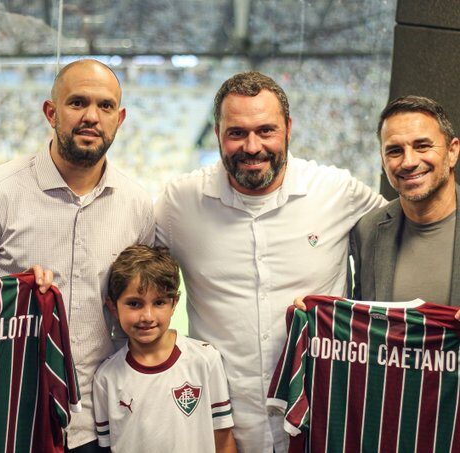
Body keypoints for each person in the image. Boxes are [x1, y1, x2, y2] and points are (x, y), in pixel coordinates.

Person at [154, 71, 386, 452]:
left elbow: (411, 229)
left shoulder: (336, 191)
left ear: (288, 128)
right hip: (222, 431)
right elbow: (128, 267)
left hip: (321, 423)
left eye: (266, 130)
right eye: (237, 133)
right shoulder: (179, 203)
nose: (252, 146)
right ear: (217, 133)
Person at [0, 59, 154, 452]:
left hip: (101, 424)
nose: (92, 117)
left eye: (105, 106)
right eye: (77, 103)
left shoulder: (137, 205)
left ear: (120, 119)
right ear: (51, 112)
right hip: (11, 420)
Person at [93, 245, 236, 453]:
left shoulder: (205, 359)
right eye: (134, 304)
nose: (147, 316)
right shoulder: (106, 377)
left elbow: (223, 439)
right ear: (113, 307)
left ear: (174, 303)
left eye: (159, 302)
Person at [351, 95, 460, 307]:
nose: (409, 162)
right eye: (395, 151)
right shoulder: (368, 230)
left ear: (452, 151)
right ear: (383, 161)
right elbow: (361, 319)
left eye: (422, 146)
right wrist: (313, 311)